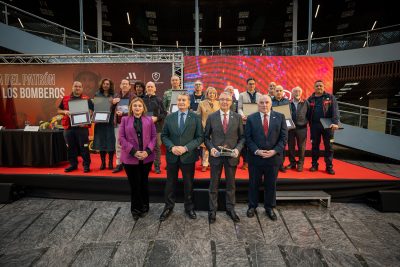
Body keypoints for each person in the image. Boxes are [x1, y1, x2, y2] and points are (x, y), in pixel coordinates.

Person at [159, 92, 203, 221]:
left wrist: (185, 148)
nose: (181, 102)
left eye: (184, 100)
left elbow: (200, 137)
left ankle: (189, 207)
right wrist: (172, 147)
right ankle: (168, 207)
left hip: (188, 155)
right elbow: (164, 136)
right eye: (179, 100)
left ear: (189, 103)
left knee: (188, 183)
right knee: (170, 183)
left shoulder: (195, 118)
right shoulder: (170, 117)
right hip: (172, 155)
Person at [204, 92, 245, 223]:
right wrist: (211, 148)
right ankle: (212, 211)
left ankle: (230, 209)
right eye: (222, 99)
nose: (225, 102)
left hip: (231, 156)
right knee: (213, 184)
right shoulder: (211, 117)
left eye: (227, 100)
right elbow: (205, 137)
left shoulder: (237, 117)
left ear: (231, 102)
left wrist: (238, 150)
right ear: (218, 100)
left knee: (231, 184)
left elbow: (242, 137)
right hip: (216, 156)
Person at [245, 95, 287, 221]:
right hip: (255, 158)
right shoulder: (251, 118)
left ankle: (269, 207)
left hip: (273, 158)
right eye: (261, 102)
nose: (264, 105)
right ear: (258, 104)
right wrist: (257, 151)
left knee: (271, 184)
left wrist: (274, 151)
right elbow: (248, 138)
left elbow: (283, 138)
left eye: (267, 102)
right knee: (253, 183)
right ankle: (252, 206)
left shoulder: (280, 117)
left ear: (271, 103)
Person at [119, 97, 157, 219]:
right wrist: (134, 152)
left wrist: (147, 151)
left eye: (139, 106)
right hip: (130, 158)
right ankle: (135, 209)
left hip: (146, 157)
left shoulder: (149, 120)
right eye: (135, 106)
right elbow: (121, 138)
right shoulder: (125, 120)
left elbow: (153, 137)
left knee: (144, 182)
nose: (137, 108)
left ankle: (145, 206)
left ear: (143, 108)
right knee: (134, 184)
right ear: (131, 107)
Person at [58, 81, 94, 173]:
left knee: (84, 147)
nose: (77, 88)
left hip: (82, 128)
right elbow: (59, 110)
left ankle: (86, 165)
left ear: (82, 88)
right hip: (69, 128)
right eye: (75, 86)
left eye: (79, 87)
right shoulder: (65, 98)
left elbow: (92, 112)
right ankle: (73, 164)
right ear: (72, 87)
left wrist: (88, 116)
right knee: (71, 147)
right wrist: (65, 112)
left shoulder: (87, 99)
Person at [307, 80, 340, 175]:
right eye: (317, 86)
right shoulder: (310, 99)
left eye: (320, 86)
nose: (319, 87)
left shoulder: (330, 97)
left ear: (324, 87)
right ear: (314, 87)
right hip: (314, 126)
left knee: (329, 146)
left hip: (328, 126)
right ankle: (314, 165)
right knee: (314, 146)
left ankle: (329, 166)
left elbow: (335, 110)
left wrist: (335, 122)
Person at [112, 79, 136, 173]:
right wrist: (112, 104)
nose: (125, 85)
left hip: (129, 124)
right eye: (123, 84)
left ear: (130, 86)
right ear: (120, 85)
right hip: (118, 124)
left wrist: (124, 113)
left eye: (126, 84)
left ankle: (129, 163)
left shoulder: (133, 97)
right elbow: (110, 110)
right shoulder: (116, 96)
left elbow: (136, 110)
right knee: (118, 144)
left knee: (130, 143)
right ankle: (119, 163)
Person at [143, 81, 167, 174]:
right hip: (144, 127)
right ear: (146, 88)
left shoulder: (159, 100)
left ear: (155, 89)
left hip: (157, 127)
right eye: (148, 86)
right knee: (146, 147)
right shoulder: (141, 99)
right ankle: (147, 165)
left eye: (151, 86)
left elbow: (164, 113)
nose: (149, 88)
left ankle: (157, 166)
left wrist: (157, 118)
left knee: (157, 147)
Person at [238, 77, 262, 170]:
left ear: (255, 85)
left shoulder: (260, 95)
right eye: (250, 84)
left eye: (253, 84)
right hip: (245, 122)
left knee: (256, 141)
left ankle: (255, 160)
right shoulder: (242, 95)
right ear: (247, 85)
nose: (251, 85)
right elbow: (239, 108)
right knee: (245, 142)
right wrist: (242, 115)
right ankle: (245, 162)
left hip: (256, 122)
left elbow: (261, 108)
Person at [92, 78, 116, 170]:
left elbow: (116, 108)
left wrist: (113, 103)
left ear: (110, 86)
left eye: (108, 84)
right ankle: (103, 163)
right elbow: (95, 108)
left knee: (110, 142)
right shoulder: (97, 94)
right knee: (101, 142)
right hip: (100, 122)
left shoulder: (114, 95)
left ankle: (110, 162)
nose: (106, 85)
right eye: (104, 84)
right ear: (102, 85)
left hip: (110, 122)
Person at [286, 87, 309, 172]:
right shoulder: (288, 103)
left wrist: (305, 122)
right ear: (292, 93)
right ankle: (292, 163)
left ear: (301, 93)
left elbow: (309, 114)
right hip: (290, 129)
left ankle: (300, 163)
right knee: (291, 146)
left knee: (301, 147)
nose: (297, 92)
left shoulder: (305, 102)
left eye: (299, 91)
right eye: (295, 91)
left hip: (302, 128)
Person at [196, 87, 220, 172]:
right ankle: (205, 164)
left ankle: (213, 163)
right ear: (207, 94)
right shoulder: (202, 103)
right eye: (210, 93)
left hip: (217, 128)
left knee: (215, 146)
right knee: (205, 147)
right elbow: (198, 116)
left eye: (213, 93)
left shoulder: (219, 103)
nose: (212, 94)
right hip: (205, 127)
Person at [272, 85, 290, 173]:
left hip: (284, 127)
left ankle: (281, 165)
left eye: (280, 90)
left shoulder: (287, 102)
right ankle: (274, 164)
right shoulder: (270, 101)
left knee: (282, 146)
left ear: (283, 92)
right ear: (274, 92)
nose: (279, 92)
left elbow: (290, 114)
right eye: (277, 90)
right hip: (273, 127)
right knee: (273, 145)